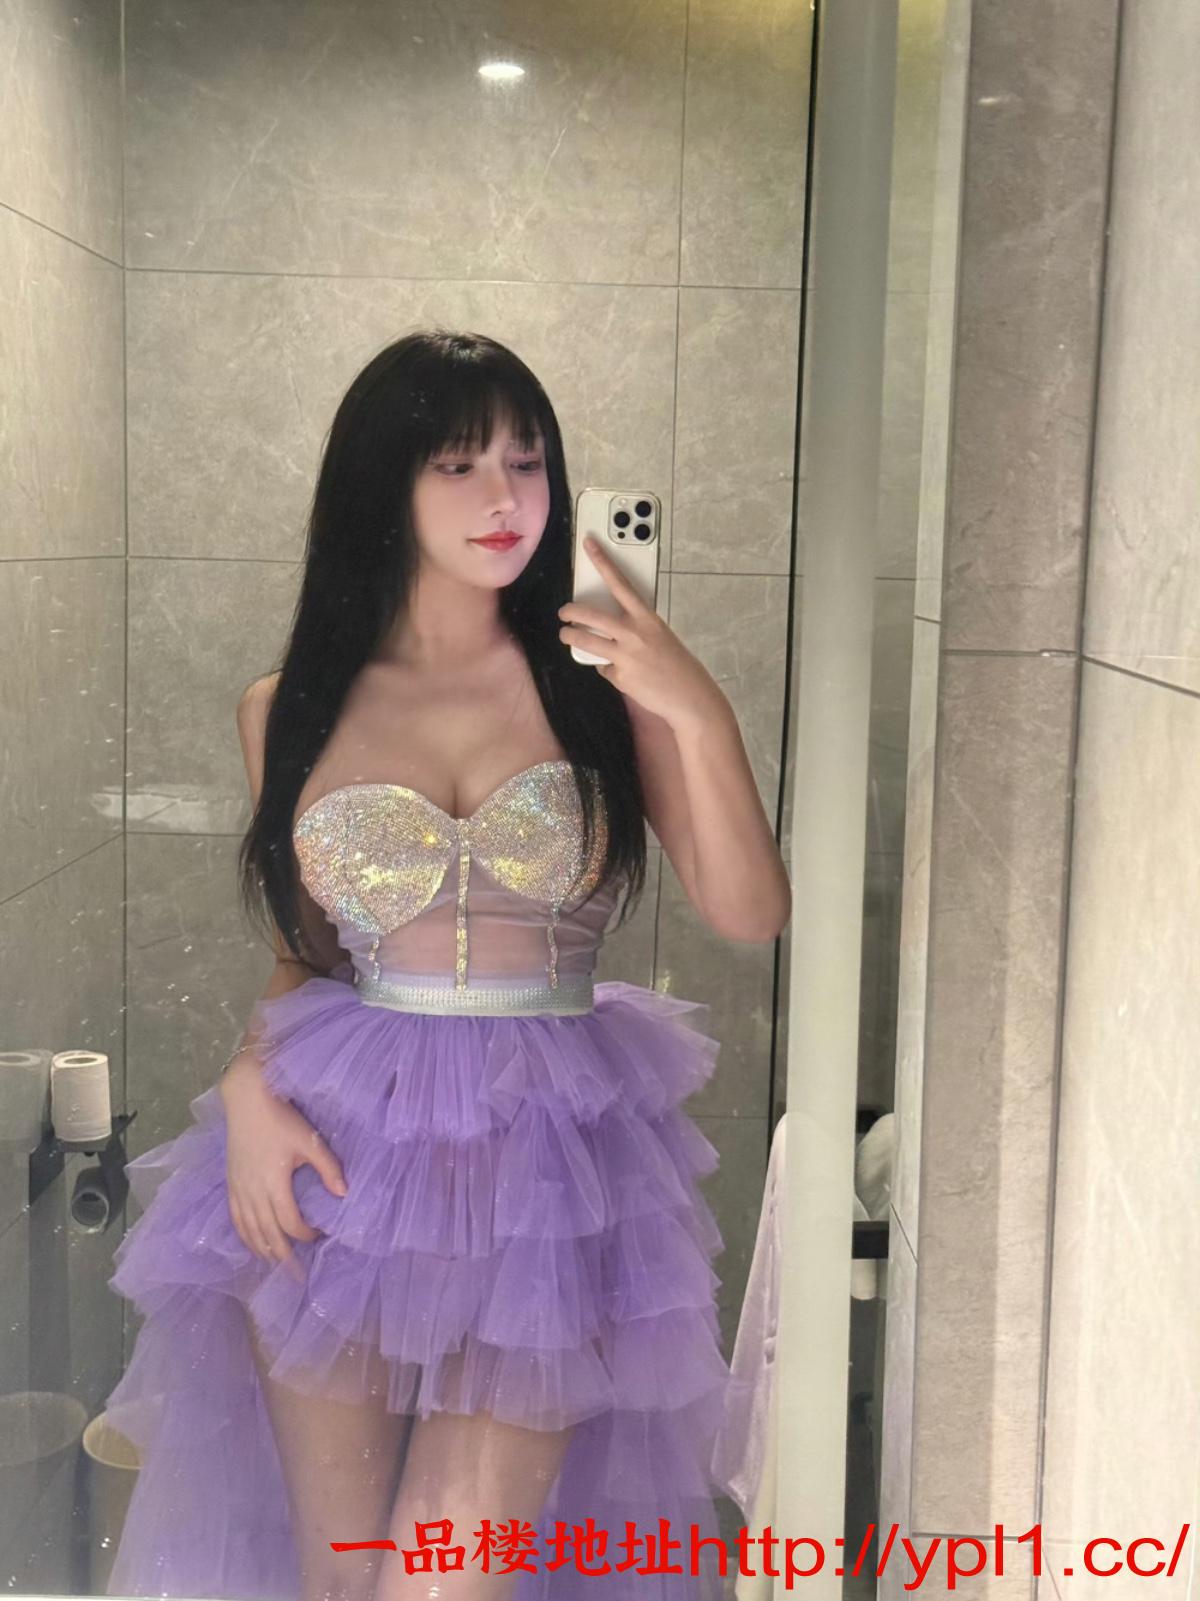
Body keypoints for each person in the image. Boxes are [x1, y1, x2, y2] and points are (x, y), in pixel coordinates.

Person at [101, 328, 792, 1601]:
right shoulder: (289, 705)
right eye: (460, 464)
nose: (505, 497)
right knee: (338, 1576)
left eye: (527, 461)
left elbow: (750, 909)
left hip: (549, 1175)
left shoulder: (603, 687)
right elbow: (305, 959)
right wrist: (247, 1091)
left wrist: (695, 701)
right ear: (384, 483)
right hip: (340, 1161)